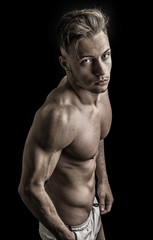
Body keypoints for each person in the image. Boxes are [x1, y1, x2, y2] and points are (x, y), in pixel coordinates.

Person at [18, 8, 114, 240]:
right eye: (86, 61)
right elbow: (30, 188)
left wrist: (103, 180)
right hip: (66, 228)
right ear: (65, 63)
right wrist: (65, 235)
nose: (101, 70)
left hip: (93, 213)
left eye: (105, 55)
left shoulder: (98, 87)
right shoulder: (58, 115)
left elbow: (96, 136)